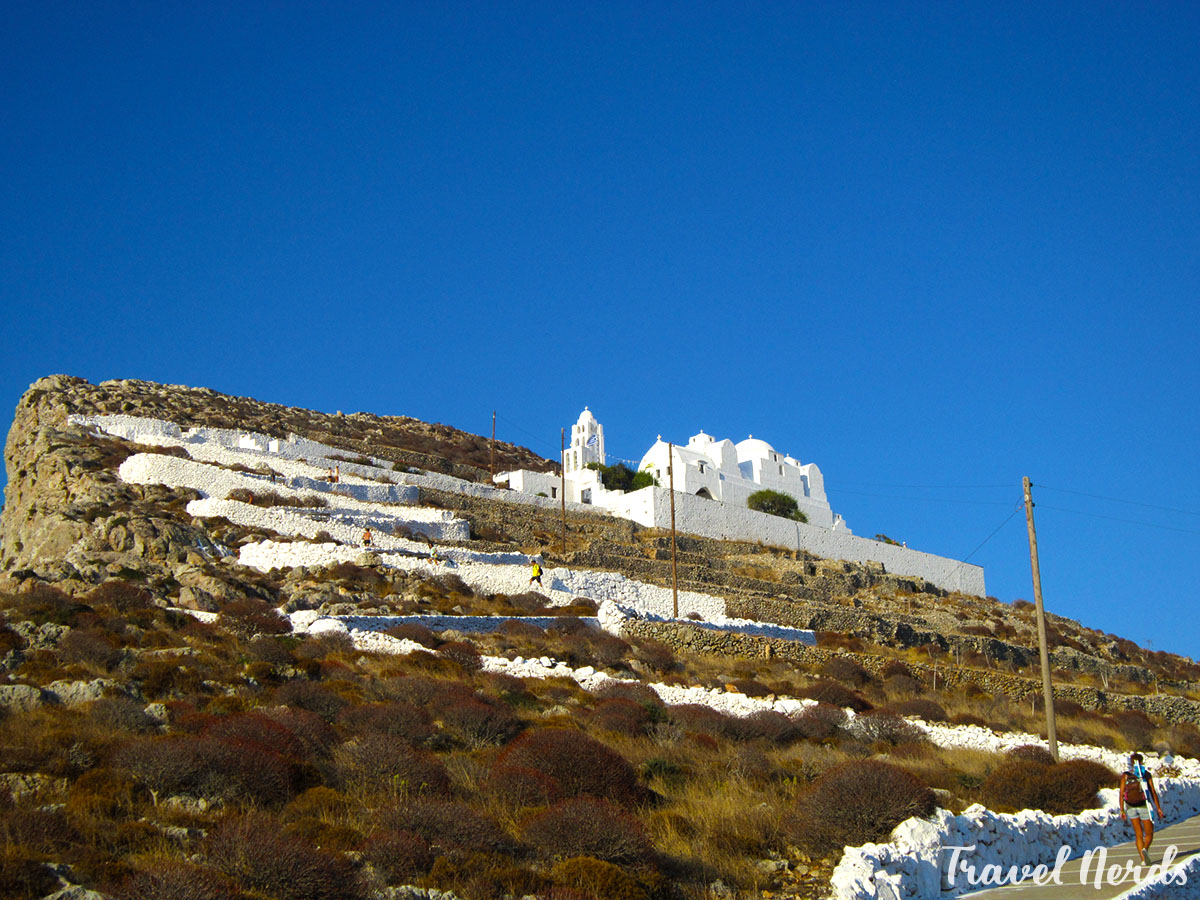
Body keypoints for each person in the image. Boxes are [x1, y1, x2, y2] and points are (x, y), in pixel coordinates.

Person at [1121, 752, 1165, 864]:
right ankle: (1145, 849)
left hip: (1130, 806)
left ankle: (1143, 858)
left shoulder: (1126, 775)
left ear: (1131, 762)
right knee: (1149, 833)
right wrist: (1158, 808)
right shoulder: (1146, 775)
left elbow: (1121, 793)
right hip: (1144, 806)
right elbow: (1153, 792)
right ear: (1141, 762)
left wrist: (1122, 809)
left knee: (1138, 833)